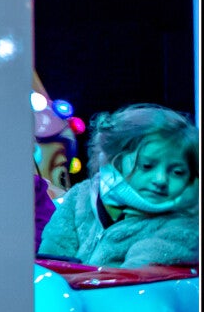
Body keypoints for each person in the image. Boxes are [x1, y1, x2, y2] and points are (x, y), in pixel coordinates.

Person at [38, 104, 197, 269]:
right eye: (147, 166)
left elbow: (136, 277)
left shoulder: (184, 226)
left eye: (177, 172)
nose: (161, 180)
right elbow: (52, 260)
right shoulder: (81, 196)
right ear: (116, 159)